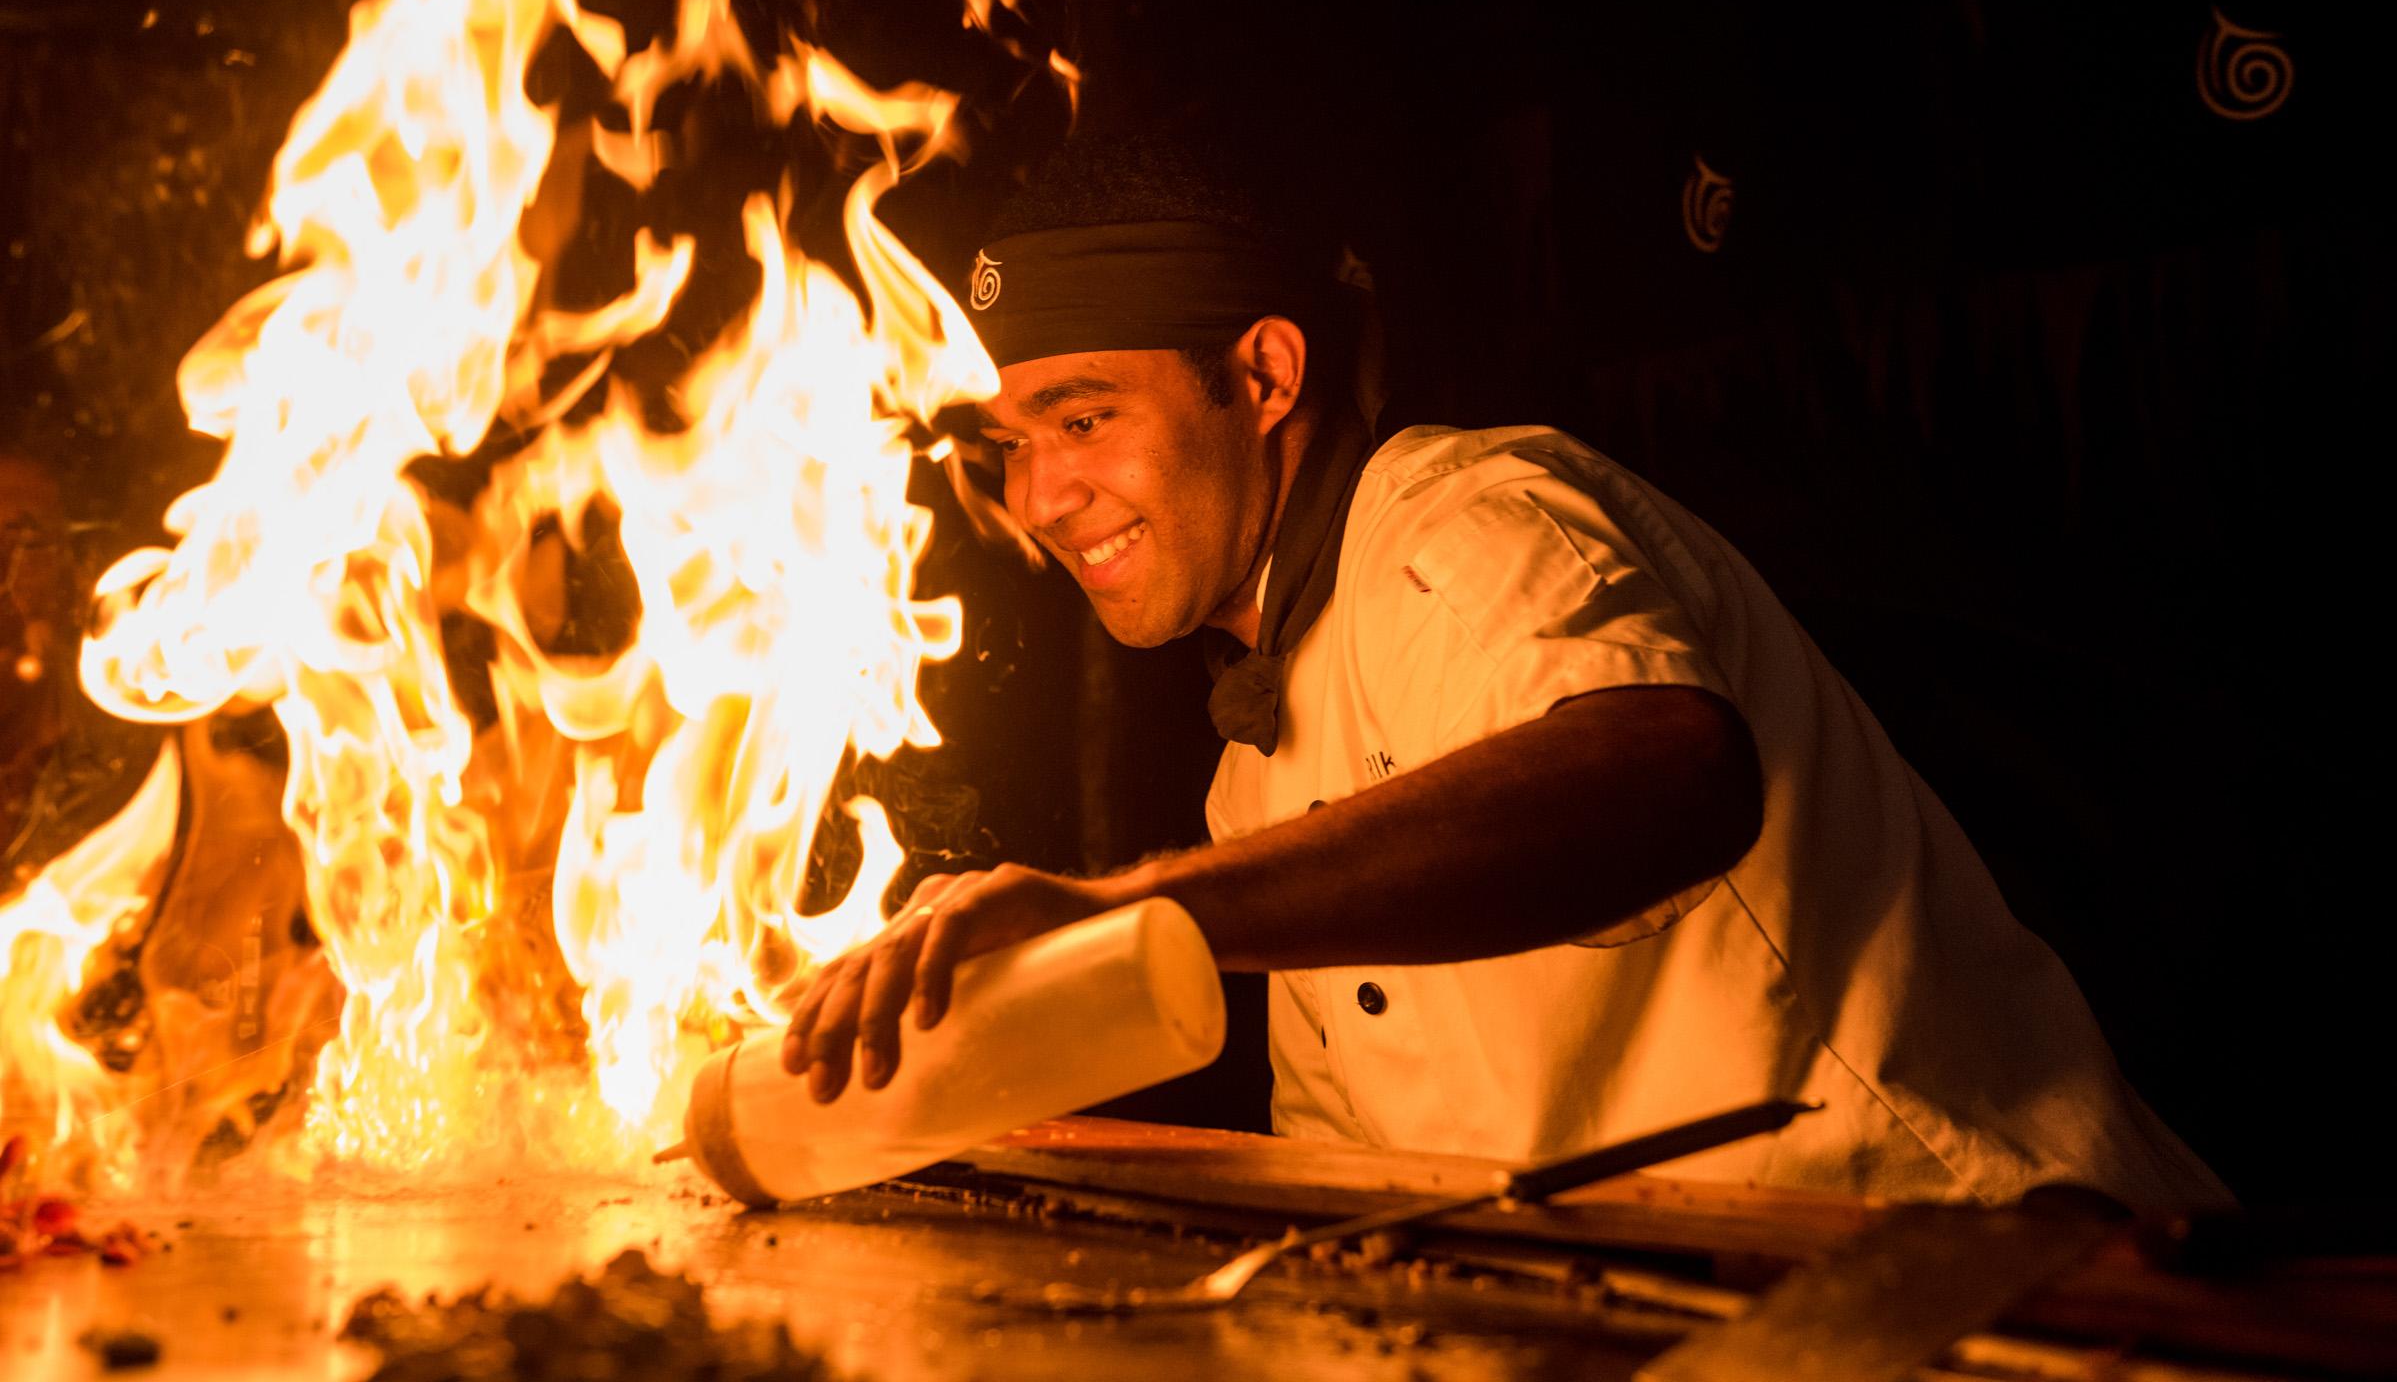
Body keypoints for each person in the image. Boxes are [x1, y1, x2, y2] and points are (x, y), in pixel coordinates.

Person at [783, 134, 2229, 1210]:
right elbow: (1378, 1181)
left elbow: (1664, 771)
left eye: (1082, 419)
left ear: (1267, 377)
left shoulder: (1467, 511)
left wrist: (1127, 907)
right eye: (1011, 448)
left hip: (1994, 1276)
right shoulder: (1254, 774)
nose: (1040, 500)